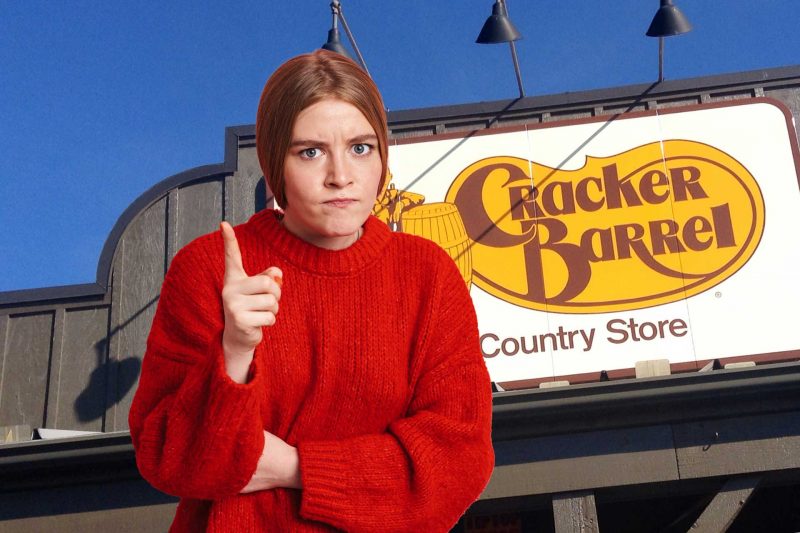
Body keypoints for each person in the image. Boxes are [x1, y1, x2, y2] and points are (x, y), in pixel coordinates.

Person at [128, 49, 494, 532]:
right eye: (310, 151)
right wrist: (233, 351)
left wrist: (296, 467)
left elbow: (456, 467)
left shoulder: (429, 276)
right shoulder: (209, 268)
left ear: (383, 155)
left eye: (361, 148)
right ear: (274, 163)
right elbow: (168, 460)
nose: (340, 175)